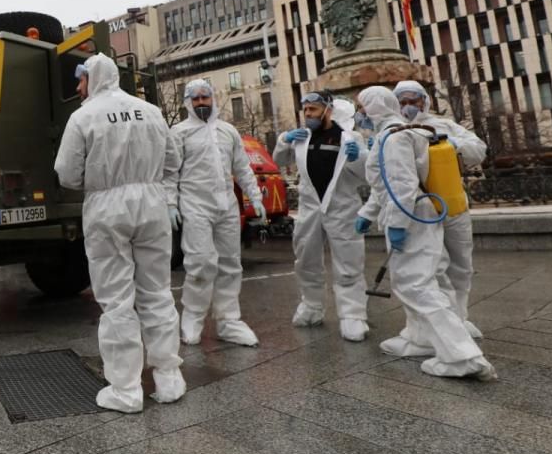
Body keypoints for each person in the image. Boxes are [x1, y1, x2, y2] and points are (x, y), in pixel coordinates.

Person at [54, 54, 186, 413]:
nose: (78, 87)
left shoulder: (82, 117)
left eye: (80, 80)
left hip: (106, 207)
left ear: (91, 78)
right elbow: (173, 160)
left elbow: (66, 173)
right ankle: (169, 377)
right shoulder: (151, 111)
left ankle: (126, 390)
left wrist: (98, 184)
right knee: (157, 291)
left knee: (116, 299)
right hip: (152, 202)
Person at [354, 88, 495, 380]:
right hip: (422, 212)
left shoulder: (392, 138)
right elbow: (390, 185)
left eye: (361, 108)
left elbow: (401, 185)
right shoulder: (406, 131)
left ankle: (461, 356)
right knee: (431, 279)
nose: (358, 115)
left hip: (411, 216)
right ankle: (421, 339)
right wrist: (369, 213)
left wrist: (396, 224)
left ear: (373, 108)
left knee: (415, 284)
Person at [164, 79, 267, 347]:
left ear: (213, 99)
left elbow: (242, 168)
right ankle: (193, 318)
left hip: (226, 206)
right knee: (200, 264)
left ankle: (228, 320)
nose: (201, 103)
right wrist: (171, 204)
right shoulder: (179, 133)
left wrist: (255, 197)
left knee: (230, 264)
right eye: (195, 98)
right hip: (195, 205)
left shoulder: (228, 131)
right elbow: (170, 173)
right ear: (187, 102)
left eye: (205, 97)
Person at [392, 80, 487, 338]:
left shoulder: (445, 125)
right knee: (431, 268)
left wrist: (456, 145)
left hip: (453, 203)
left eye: (414, 101)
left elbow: (479, 149)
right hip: (421, 211)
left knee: (461, 263)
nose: (409, 107)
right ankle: (436, 324)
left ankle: (460, 316)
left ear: (425, 101)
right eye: (402, 102)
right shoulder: (394, 130)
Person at [273, 90, 370, 341]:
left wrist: (357, 158)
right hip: (309, 208)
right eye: (305, 110)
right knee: (305, 259)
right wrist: (284, 139)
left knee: (348, 261)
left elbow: (366, 175)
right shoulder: (301, 137)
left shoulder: (350, 137)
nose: (308, 115)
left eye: (313, 109)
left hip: (342, 206)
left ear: (328, 109)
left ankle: (352, 314)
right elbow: (279, 159)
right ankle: (312, 306)